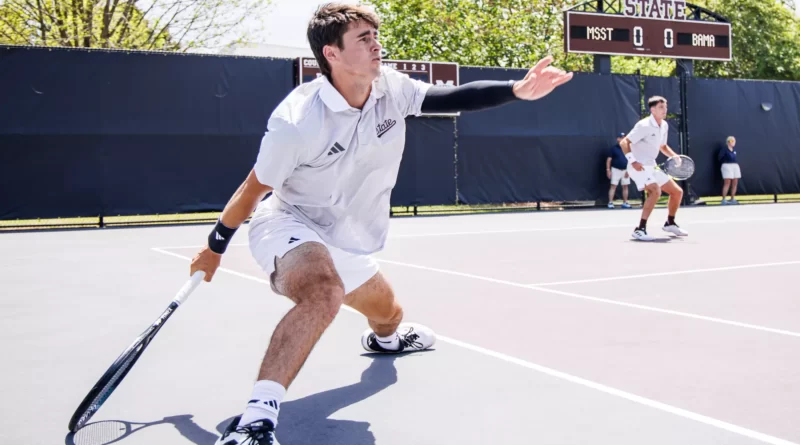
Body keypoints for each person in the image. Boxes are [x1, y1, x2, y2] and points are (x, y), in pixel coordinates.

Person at [190, 3, 574, 444]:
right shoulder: (296, 122)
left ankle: (387, 340)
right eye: (364, 39)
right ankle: (256, 422)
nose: (377, 45)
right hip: (290, 222)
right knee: (324, 291)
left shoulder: (389, 87)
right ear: (331, 54)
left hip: (345, 234)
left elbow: (448, 98)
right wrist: (215, 247)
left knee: (389, 313)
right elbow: (253, 188)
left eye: (375, 35)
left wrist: (516, 90)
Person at [619, 96, 689, 241]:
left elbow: (662, 146)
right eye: (661, 107)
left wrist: (674, 156)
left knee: (677, 192)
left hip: (652, 166)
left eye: (666, 107)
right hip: (637, 167)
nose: (665, 110)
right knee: (655, 191)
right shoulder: (643, 125)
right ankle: (640, 229)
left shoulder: (664, 126)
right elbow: (625, 142)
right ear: (652, 110)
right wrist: (633, 161)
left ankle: (670, 223)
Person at [606, 132, 631, 209]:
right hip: (615, 169)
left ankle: (625, 202)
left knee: (625, 186)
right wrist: (608, 170)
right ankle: (610, 203)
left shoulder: (628, 148)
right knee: (613, 186)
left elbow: (631, 160)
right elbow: (609, 160)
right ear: (618, 139)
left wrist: (629, 170)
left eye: (624, 137)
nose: (623, 139)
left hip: (625, 170)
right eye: (621, 137)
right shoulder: (613, 149)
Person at [718, 136, 741, 205]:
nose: (733, 142)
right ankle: (724, 199)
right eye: (731, 141)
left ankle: (732, 199)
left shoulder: (734, 150)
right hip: (726, 166)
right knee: (727, 182)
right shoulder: (724, 149)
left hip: (735, 166)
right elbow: (719, 157)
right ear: (728, 142)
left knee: (735, 182)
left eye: (734, 141)